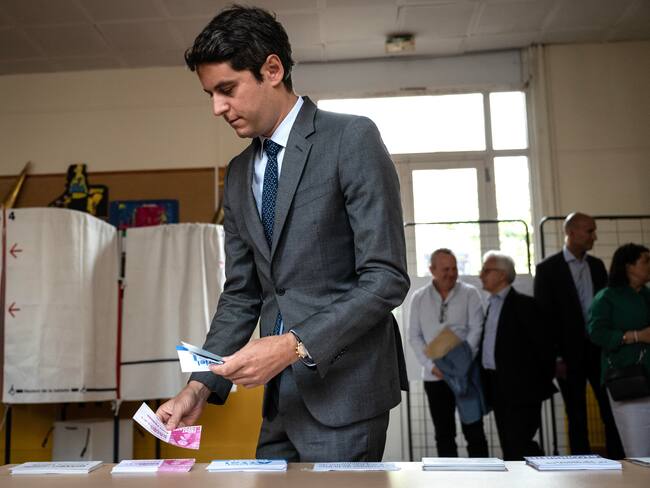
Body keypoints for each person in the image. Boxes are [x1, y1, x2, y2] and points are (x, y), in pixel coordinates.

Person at [155, 5, 410, 462]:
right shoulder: (237, 175)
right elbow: (241, 296)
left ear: (272, 69)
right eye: (210, 94)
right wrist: (199, 385)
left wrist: (294, 345)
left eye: (227, 89)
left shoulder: (350, 139)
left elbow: (385, 279)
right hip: (278, 403)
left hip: (345, 394)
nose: (217, 108)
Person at [534, 212, 624, 457]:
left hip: (599, 351)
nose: (594, 236)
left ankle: (619, 462)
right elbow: (544, 320)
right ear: (571, 233)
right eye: (589, 231)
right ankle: (582, 468)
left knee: (610, 410)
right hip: (567, 355)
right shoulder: (547, 269)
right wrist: (555, 358)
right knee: (576, 415)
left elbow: (607, 309)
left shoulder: (596, 266)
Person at [408, 249, 488, 457]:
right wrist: (431, 366)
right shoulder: (418, 298)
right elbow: (414, 336)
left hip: (467, 374)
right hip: (435, 377)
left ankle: (485, 481)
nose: (451, 274)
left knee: (474, 431)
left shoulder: (470, 293)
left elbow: (476, 329)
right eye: (445, 269)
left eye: (454, 268)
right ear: (432, 270)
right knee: (444, 434)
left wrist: (461, 364)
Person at [480, 251, 555, 461]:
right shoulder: (490, 305)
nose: (481, 274)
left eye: (487, 270)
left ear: (502, 275)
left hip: (522, 389)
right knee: (508, 444)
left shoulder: (525, 305)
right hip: (496, 384)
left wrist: (536, 383)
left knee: (520, 443)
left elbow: (544, 348)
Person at [587, 243, 650, 457]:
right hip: (629, 380)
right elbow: (597, 333)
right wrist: (635, 336)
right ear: (629, 266)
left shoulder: (647, 295)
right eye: (646, 261)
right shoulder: (607, 297)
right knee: (639, 451)